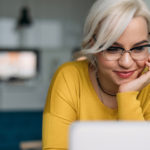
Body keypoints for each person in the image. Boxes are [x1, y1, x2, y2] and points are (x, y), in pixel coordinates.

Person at [42, 0, 150, 149]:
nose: (126, 62)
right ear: (93, 45)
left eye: (138, 48)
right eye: (112, 48)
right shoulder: (69, 77)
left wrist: (127, 95)